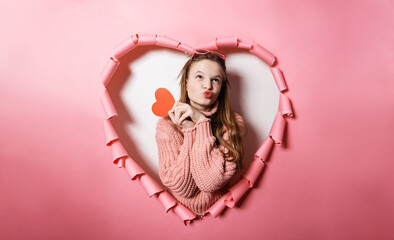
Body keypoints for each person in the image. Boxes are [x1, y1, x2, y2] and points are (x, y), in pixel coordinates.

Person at [155, 50, 246, 217]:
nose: (208, 86)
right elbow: (182, 188)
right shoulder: (166, 125)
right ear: (186, 80)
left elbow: (209, 182)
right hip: (175, 217)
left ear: (222, 87)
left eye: (215, 80)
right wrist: (189, 129)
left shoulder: (233, 124)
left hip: (223, 214)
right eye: (199, 77)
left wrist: (201, 122)